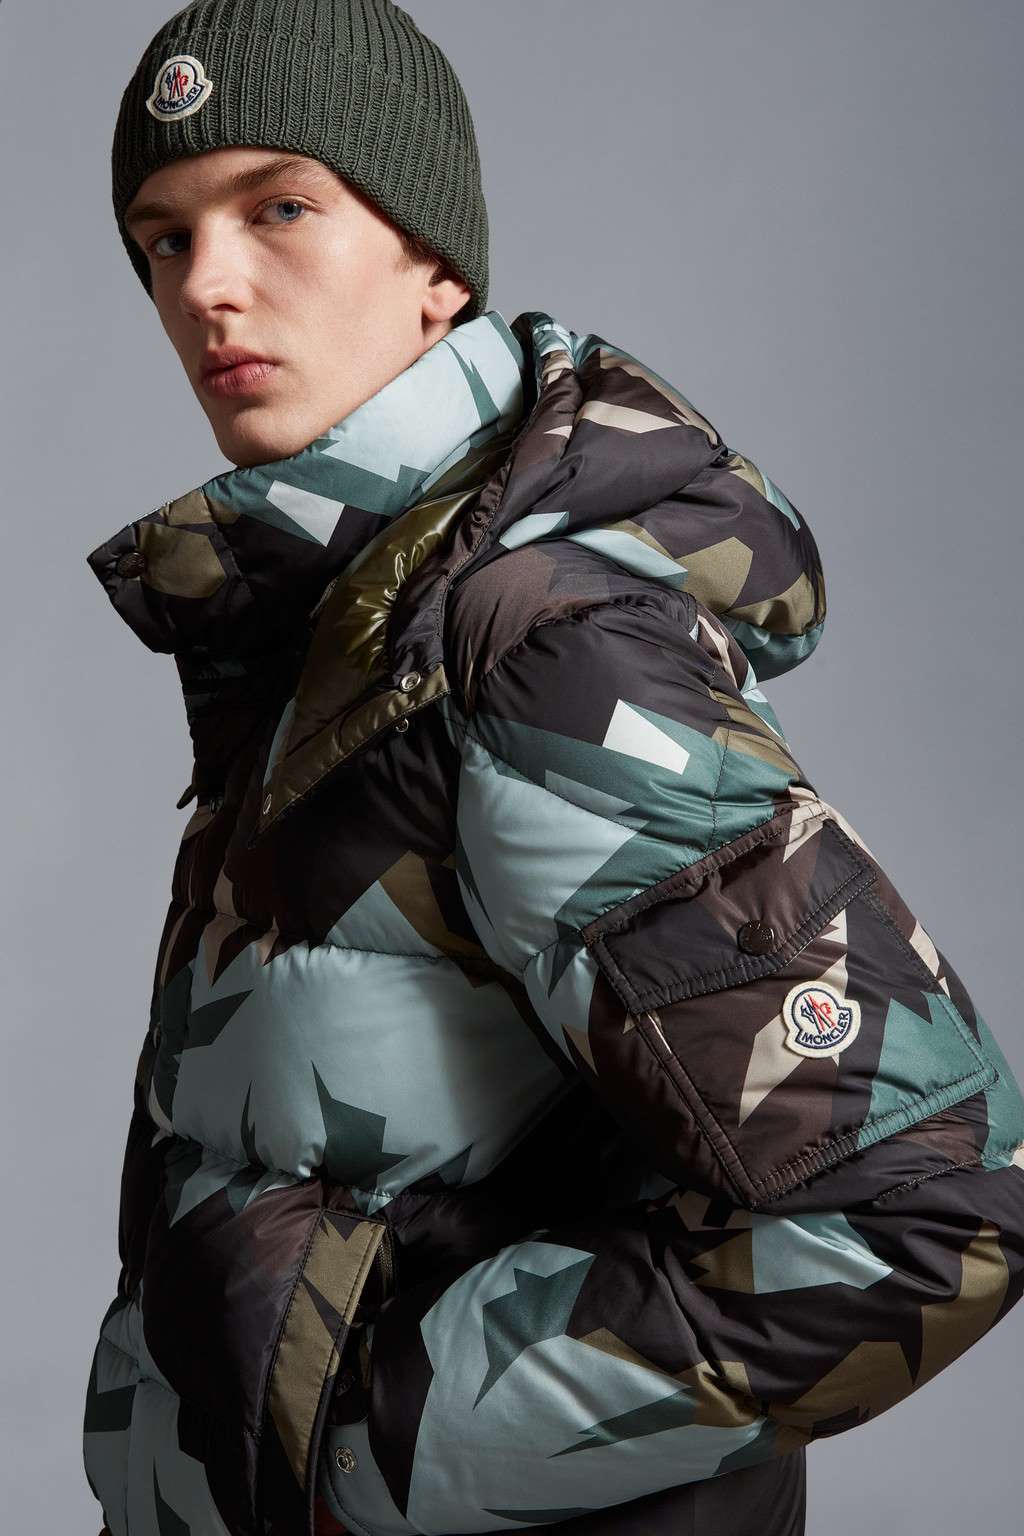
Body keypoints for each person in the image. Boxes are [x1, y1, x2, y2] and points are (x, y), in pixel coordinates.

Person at [82, 3, 1024, 1534]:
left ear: (436, 265)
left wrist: (358, 1452)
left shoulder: (535, 640)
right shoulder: (344, 625)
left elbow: (925, 1208)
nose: (208, 286)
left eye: (280, 208)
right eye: (164, 239)